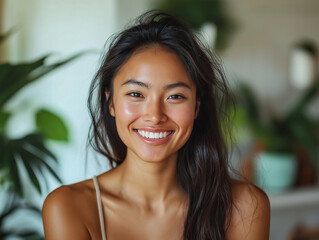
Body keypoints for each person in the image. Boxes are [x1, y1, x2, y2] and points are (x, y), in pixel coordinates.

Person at [42, 11, 270, 240]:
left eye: (175, 96)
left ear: (197, 106)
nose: (154, 116)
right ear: (110, 102)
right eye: (135, 94)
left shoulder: (245, 206)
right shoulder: (70, 208)